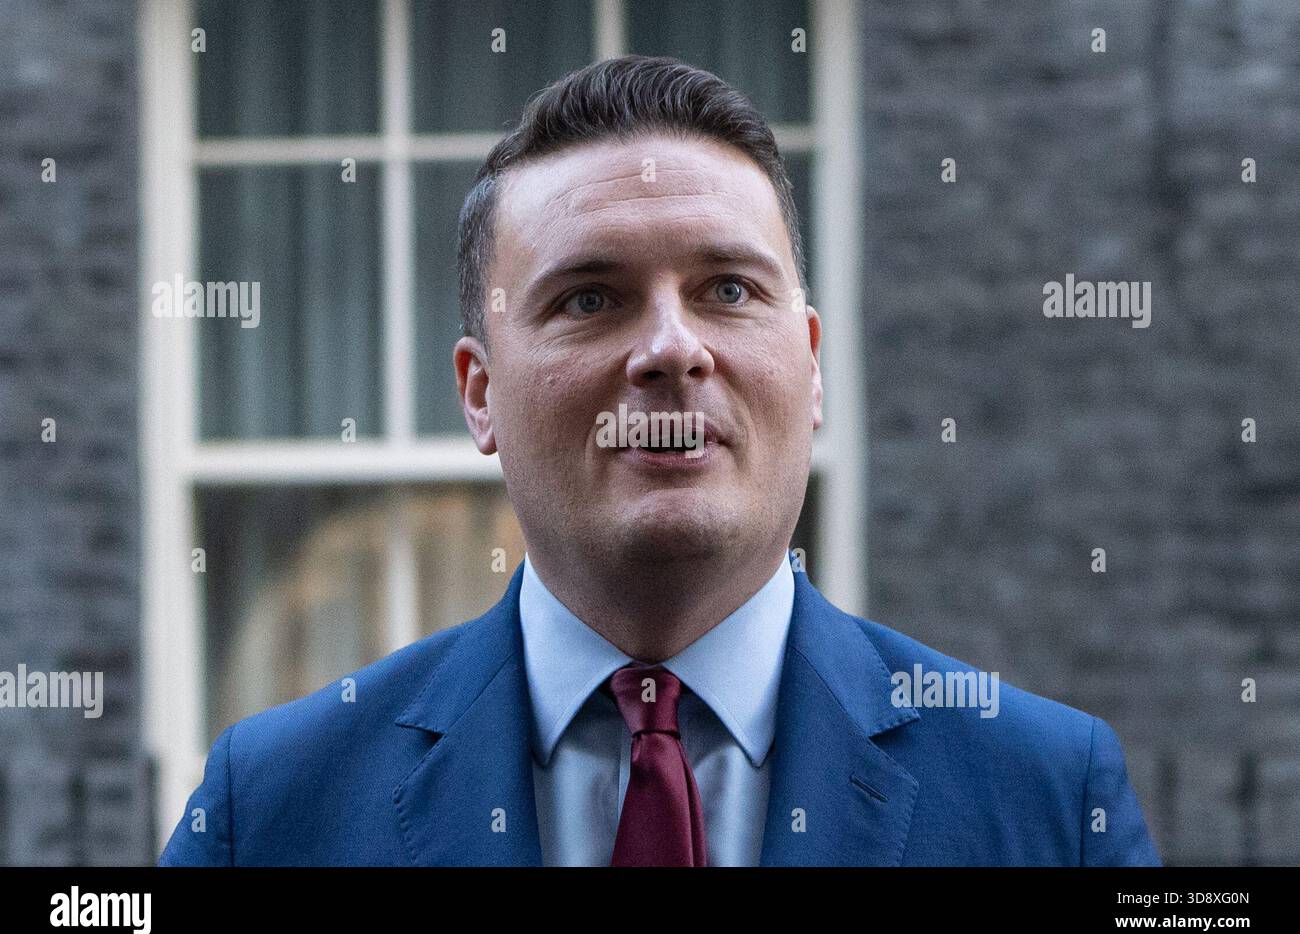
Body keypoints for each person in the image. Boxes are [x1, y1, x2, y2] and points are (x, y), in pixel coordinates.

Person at [159, 55, 1160, 866]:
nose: (671, 348)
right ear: (479, 393)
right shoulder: (276, 809)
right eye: (589, 298)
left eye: (727, 289)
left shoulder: (1046, 797)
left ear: (809, 366)